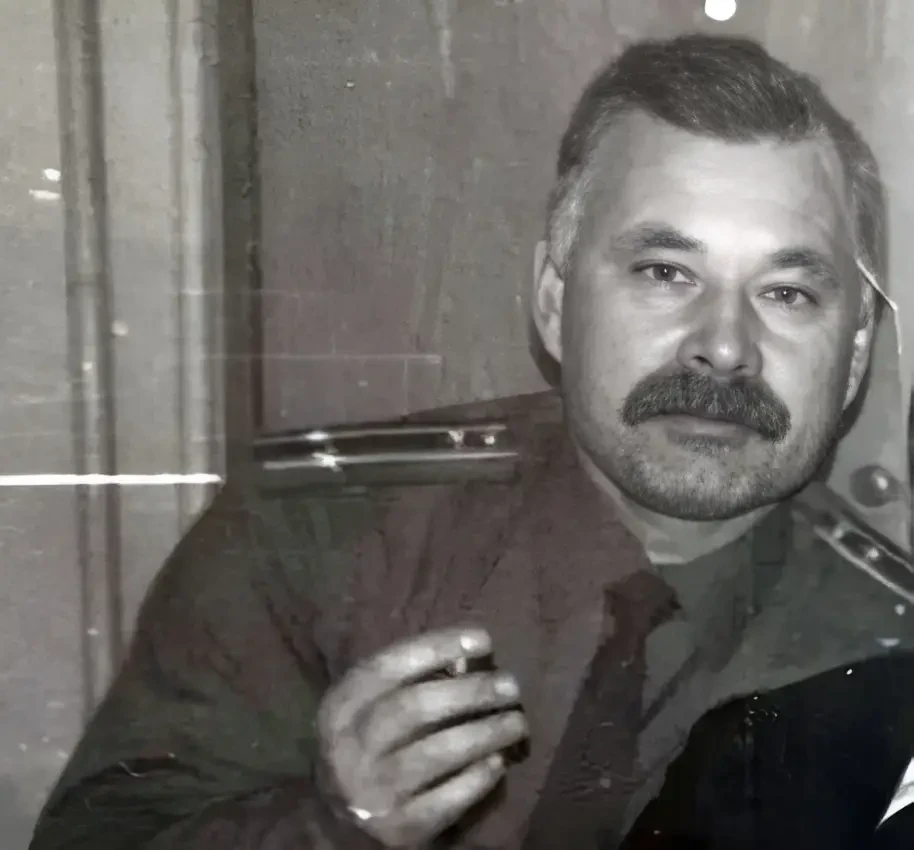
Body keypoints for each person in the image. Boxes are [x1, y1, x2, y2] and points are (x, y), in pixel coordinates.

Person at [29, 33, 914, 850]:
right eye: (664, 272)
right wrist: (326, 829)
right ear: (554, 301)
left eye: (787, 293)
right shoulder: (313, 534)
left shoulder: (889, 640)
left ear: (854, 356)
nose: (723, 346)